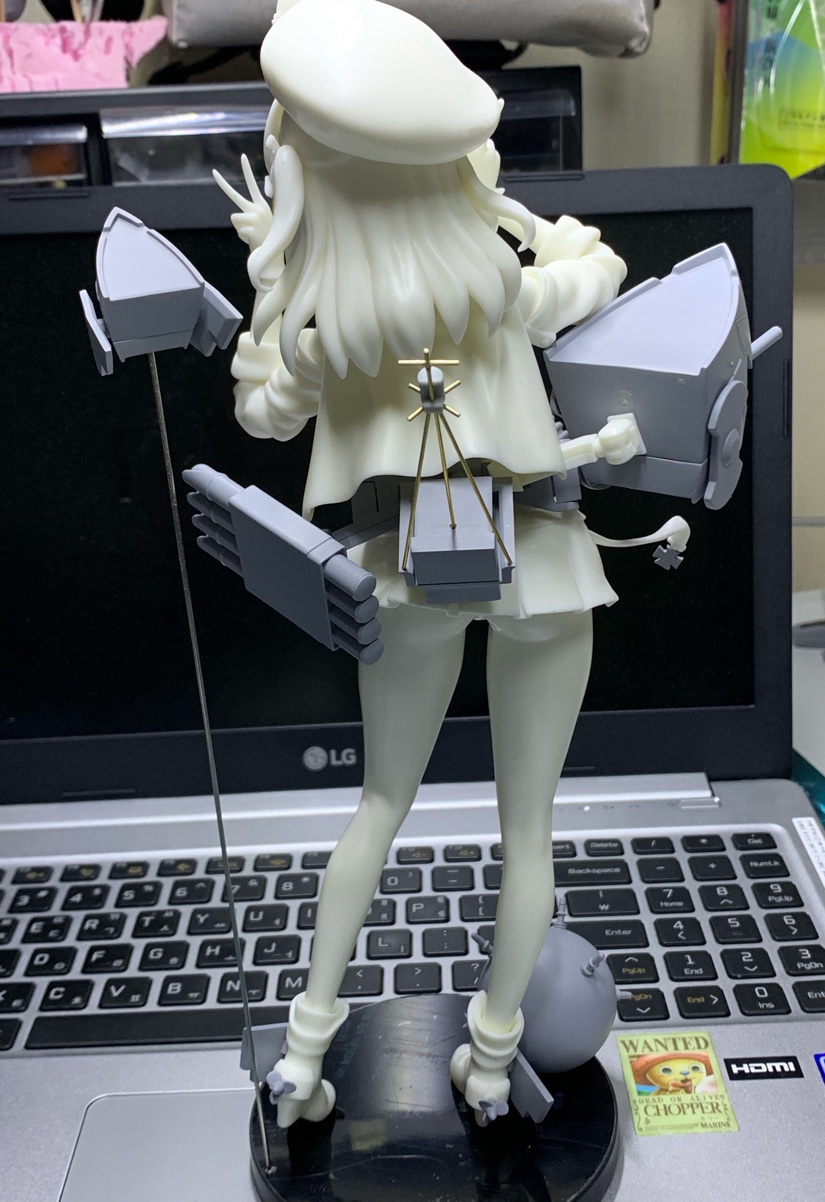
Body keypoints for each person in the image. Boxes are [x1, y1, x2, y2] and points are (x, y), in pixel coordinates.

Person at [216, 0, 643, 1127]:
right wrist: (567, 244)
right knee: (527, 831)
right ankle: (493, 1067)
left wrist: (278, 298)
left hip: (409, 567)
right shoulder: (498, 286)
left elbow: (262, 413)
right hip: (541, 560)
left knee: (378, 802)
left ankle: (303, 1054)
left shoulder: (321, 327)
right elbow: (590, 276)